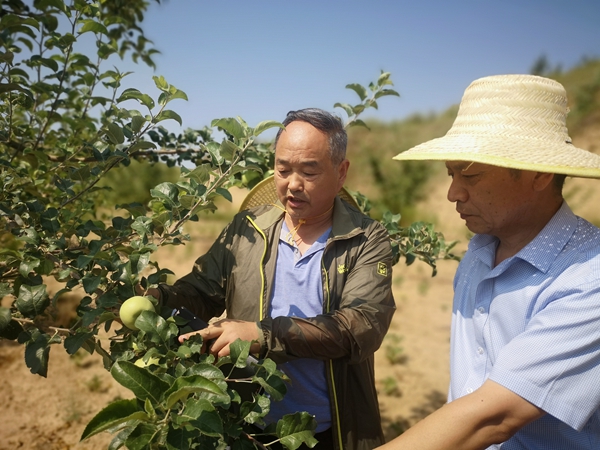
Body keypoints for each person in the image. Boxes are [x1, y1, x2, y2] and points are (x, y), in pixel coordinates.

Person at [148, 108, 396, 450]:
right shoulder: (247, 228)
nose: (293, 184)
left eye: (309, 171)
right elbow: (202, 292)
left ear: (341, 173)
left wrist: (263, 335)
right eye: (283, 170)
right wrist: (158, 299)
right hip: (246, 424)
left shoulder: (366, 239)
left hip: (329, 431)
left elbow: (359, 327)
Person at [377, 74, 600, 450]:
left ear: (539, 173)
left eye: (472, 175)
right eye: (450, 174)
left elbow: (494, 417)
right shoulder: (479, 253)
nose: (453, 193)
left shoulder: (587, 279)